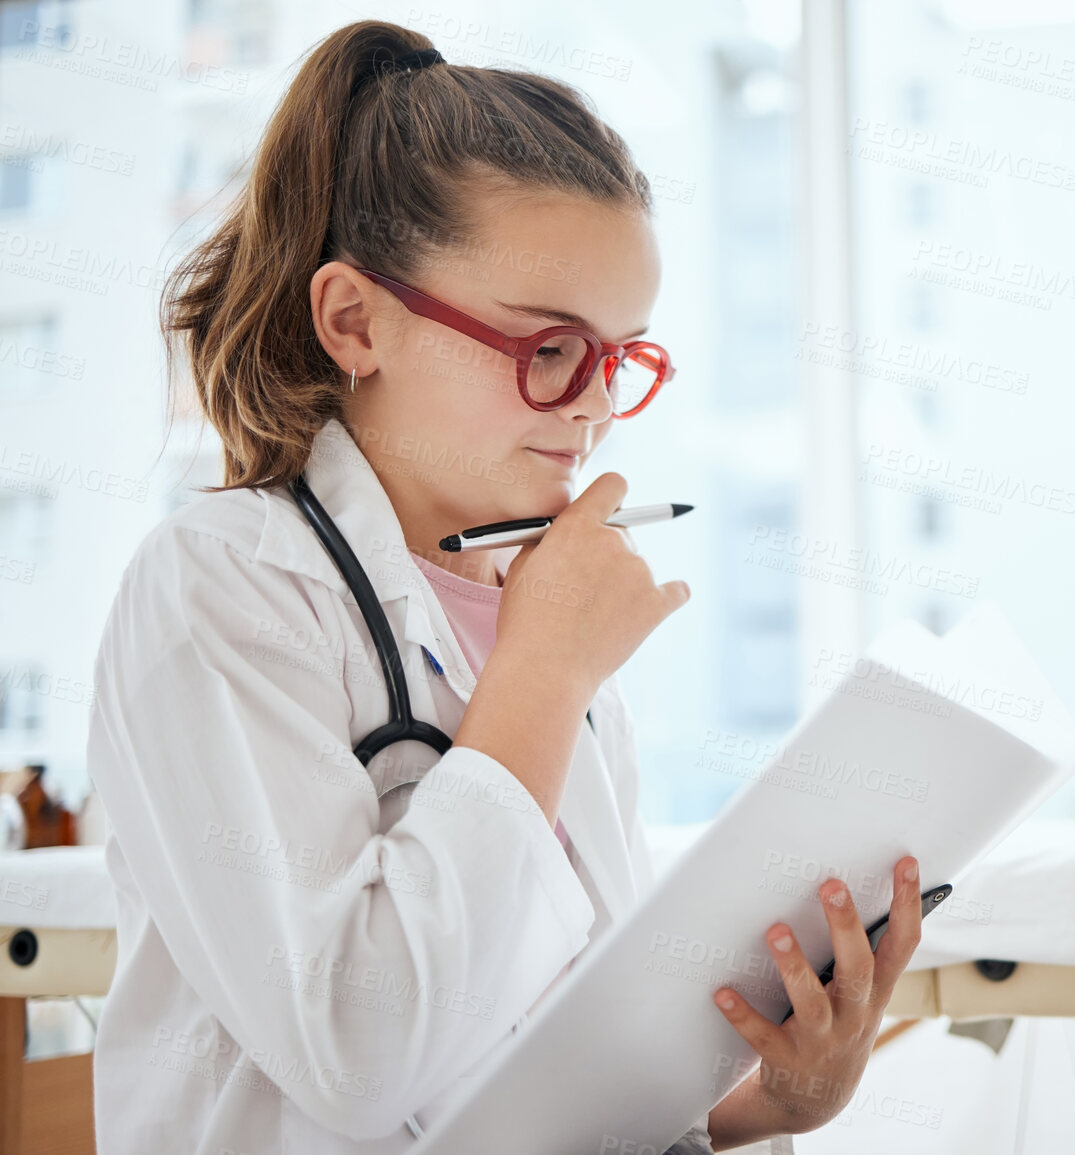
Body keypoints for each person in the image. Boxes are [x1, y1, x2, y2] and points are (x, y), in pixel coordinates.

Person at [85, 20, 921, 1154]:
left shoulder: (548, 637)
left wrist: (771, 1099)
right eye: (550, 349)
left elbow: (561, 1045)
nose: (592, 406)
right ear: (356, 321)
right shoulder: (223, 586)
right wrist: (543, 667)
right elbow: (360, 1056)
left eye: (622, 360)